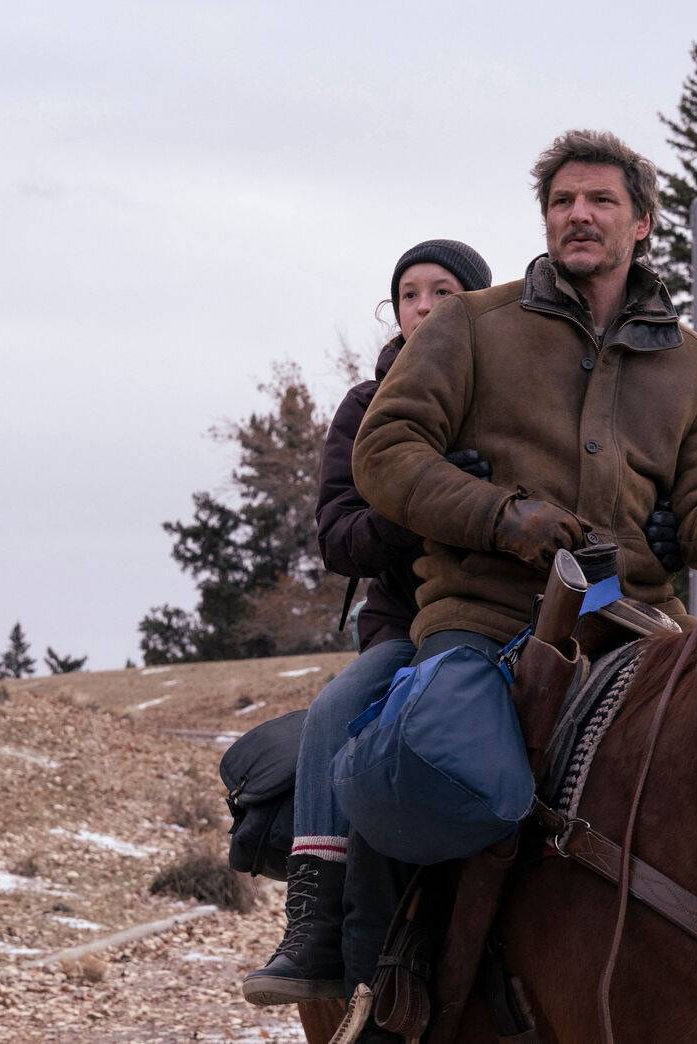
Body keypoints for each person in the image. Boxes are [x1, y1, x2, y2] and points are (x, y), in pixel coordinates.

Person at [344, 129, 697, 1034]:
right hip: (487, 615)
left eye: (598, 201)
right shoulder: (475, 324)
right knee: (440, 770)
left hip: (634, 620)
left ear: (641, 223)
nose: (578, 216)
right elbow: (385, 453)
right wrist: (501, 517)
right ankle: (379, 988)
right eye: (562, 202)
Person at [240, 239, 493, 1007]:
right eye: (408, 294)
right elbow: (338, 536)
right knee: (337, 710)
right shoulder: (365, 404)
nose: (423, 308)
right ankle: (315, 925)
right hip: (406, 625)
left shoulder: (513, 396)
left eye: (442, 292)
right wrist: (426, 505)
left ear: (478, 306)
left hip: (517, 617)